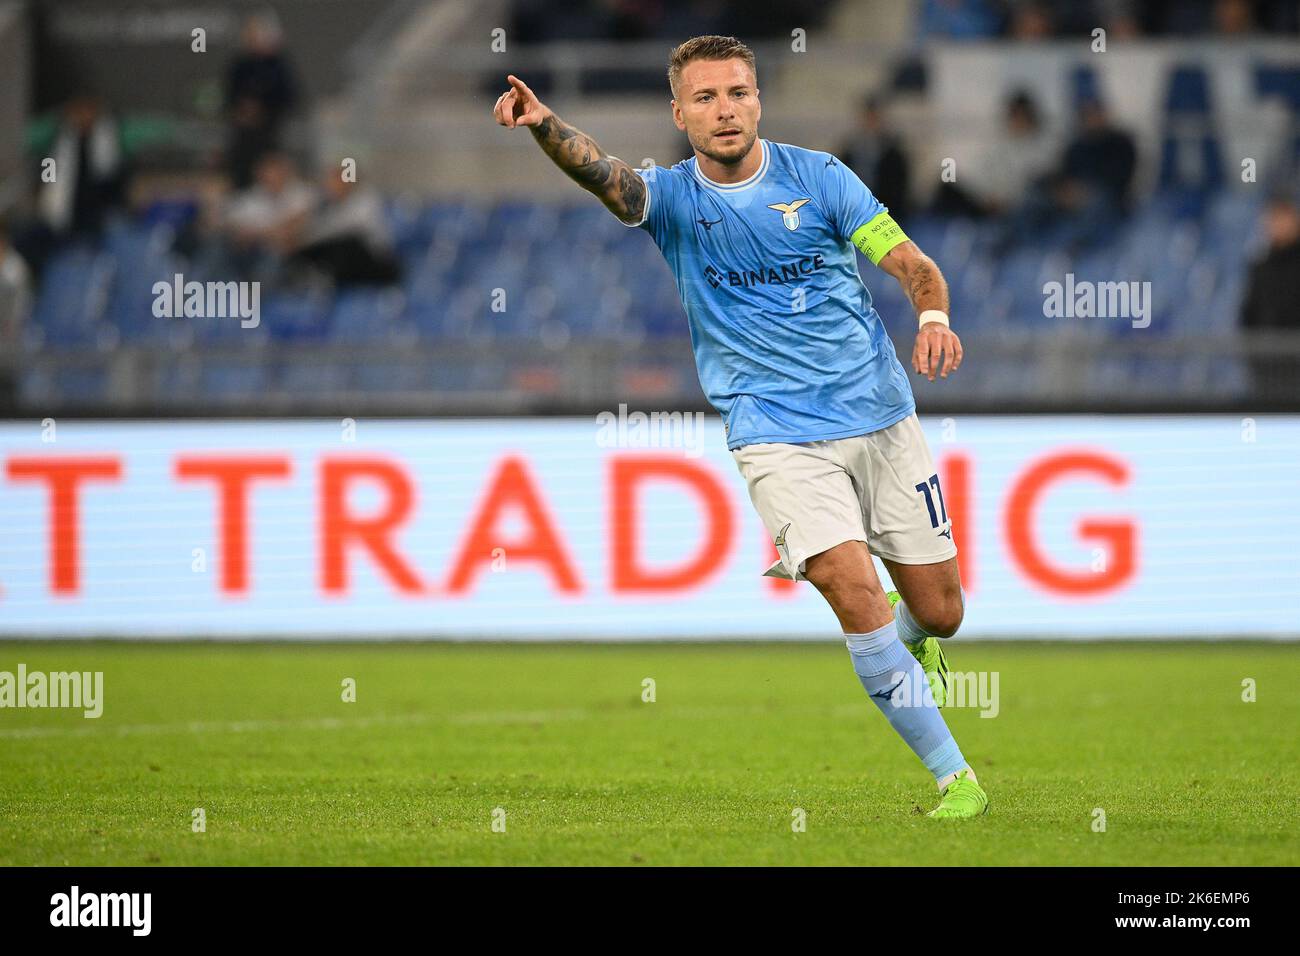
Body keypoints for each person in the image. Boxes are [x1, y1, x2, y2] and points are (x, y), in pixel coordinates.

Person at [493, 35, 987, 819]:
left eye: (738, 94)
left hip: (882, 417)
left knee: (944, 611)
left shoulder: (821, 179)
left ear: (757, 100)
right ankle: (956, 779)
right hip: (774, 431)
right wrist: (545, 122)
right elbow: (609, 180)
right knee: (848, 586)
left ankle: (914, 633)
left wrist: (932, 315)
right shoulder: (675, 200)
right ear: (680, 112)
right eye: (706, 98)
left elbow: (913, 265)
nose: (725, 111)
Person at [1241, 194, 1300, 398]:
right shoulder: (1260, 268)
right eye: (1273, 218)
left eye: (1283, 217)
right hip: (1267, 373)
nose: (1278, 224)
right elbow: (1248, 316)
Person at [839, 95, 911, 223]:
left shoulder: (894, 151)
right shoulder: (849, 150)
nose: (871, 122)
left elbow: (899, 188)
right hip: (855, 213)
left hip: (886, 214)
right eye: (868, 117)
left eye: (875, 117)